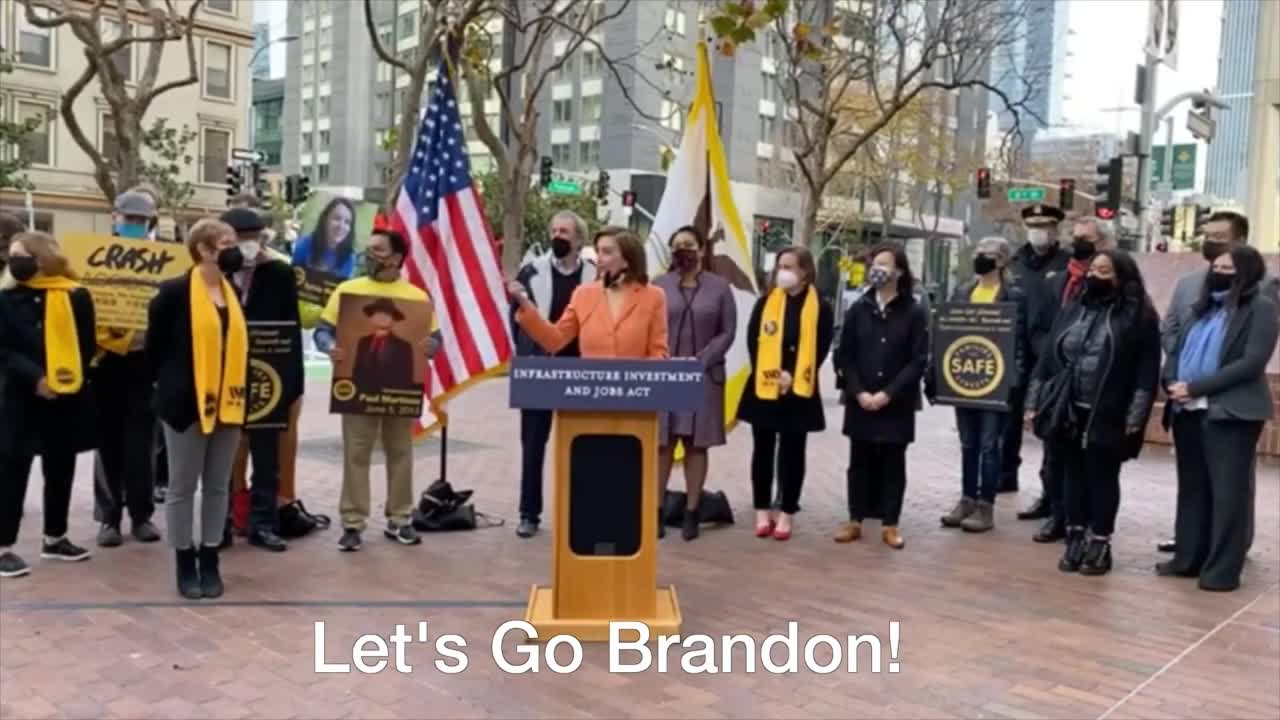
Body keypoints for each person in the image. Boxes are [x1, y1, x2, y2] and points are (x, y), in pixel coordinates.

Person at [1025, 250, 1161, 576]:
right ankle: (1074, 535)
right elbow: (1047, 360)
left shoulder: (1139, 317)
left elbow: (1146, 373)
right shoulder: (1074, 309)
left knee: (1101, 478)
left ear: (1121, 277)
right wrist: (1033, 402)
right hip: (1067, 408)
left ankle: (1100, 542)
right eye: (1094, 269)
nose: (1095, 275)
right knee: (1071, 476)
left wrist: (1135, 418)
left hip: (1109, 412)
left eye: (1105, 270)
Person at [1156, 210, 1277, 554]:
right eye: (1207, 235)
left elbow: (1252, 357)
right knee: (1192, 482)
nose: (1211, 243)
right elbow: (1172, 329)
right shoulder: (1190, 284)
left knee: (1230, 485)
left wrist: (1200, 384)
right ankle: (1190, 545)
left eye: (1219, 236)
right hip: (1187, 401)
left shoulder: (1263, 289)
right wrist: (1177, 375)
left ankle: (1228, 548)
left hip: (1228, 402)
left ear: (1240, 240)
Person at [314, 229, 440, 552]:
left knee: (401, 453)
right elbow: (323, 331)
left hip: (400, 389)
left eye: (378, 250)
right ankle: (353, 523)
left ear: (396, 258)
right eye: (368, 249)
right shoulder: (347, 291)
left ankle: (400, 518)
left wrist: (431, 345)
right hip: (356, 388)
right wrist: (330, 348)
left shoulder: (417, 297)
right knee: (356, 453)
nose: (369, 255)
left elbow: (434, 338)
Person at [146, 219, 249, 599]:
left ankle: (210, 556)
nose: (234, 249)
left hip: (230, 403)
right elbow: (154, 350)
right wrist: (168, 389)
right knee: (182, 487)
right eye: (226, 242)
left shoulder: (232, 291)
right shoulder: (173, 292)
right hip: (185, 405)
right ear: (203, 249)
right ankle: (183, 559)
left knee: (219, 485)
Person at [0, 232, 97, 578]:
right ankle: (4, 546)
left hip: (64, 397)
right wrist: (36, 378)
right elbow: (5, 350)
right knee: (12, 467)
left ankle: (55, 538)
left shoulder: (76, 296)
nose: (14, 261)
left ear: (43, 258)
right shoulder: (6, 299)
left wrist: (67, 378)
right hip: (20, 395)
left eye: (21, 254)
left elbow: (87, 345)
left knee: (61, 465)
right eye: (11, 255)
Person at [1018, 215, 1117, 542]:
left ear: (1103, 243)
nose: (1078, 244)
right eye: (1075, 237)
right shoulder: (1056, 281)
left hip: (1092, 383)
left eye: (1085, 238)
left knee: (1088, 460)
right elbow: (1039, 326)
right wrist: (1053, 357)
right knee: (1054, 452)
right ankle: (1056, 511)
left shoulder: (1117, 282)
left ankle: (1085, 518)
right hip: (1054, 379)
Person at [736, 245, 835, 541]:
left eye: (790, 267)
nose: (783, 272)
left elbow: (821, 345)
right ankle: (762, 509)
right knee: (762, 449)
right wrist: (771, 374)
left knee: (793, 451)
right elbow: (754, 341)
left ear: (805, 272)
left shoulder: (821, 307)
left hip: (799, 389)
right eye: (780, 266)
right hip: (765, 389)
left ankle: (787, 511)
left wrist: (792, 375)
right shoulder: (766, 302)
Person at [833, 243, 928, 549]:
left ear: (899, 270)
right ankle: (855, 519)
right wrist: (859, 391)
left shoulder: (913, 311)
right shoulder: (859, 308)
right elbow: (845, 355)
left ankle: (890, 523)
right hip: (860, 400)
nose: (878, 268)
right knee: (858, 461)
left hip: (895, 402)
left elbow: (918, 359)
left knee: (893, 462)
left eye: (885, 263)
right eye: (875, 262)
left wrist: (888, 394)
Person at [220, 207, 304, 553]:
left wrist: (290, 384)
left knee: (266, 455)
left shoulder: (280, 273)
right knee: (223, 455)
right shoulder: (211, 274)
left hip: (268, 376)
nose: (247, 244)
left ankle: (263, 523)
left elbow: (292, 328)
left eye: (253, 237)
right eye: (240, 238)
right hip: (224, 376)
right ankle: (223, 521)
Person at [509, 211, 596, 538]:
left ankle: (582, 511)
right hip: (539, 368)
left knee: (582, 444)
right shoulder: (532, 272)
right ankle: (529, 513)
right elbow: (515, 318)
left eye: (565, 231)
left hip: (581, 370)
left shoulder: (594, 276)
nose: (558, 236)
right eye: (554, 230)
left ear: (579, 239)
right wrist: (525, 356)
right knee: (533, 444)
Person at [940, 236, 1030, 533]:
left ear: (1002, 260)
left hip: (997, 380)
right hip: (966, 377)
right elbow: (950, 331)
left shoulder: (1013, 295)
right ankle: (966, 498)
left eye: (987, 254)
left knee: (990, 445)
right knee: (968, 443)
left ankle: (985, 505)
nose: (980, 257)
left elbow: (1020, 341)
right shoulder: (964, 290)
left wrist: (1014, 379)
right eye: (978, 252)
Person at [652, 226, 737, 541]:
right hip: (666, 375)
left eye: (688, 245)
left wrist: (701, 359)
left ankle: (691, 511)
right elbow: (650, 325)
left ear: (701, 250)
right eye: (676, 246)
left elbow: (727, 331)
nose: (682, 251)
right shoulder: (658, 286)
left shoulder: (720, 288)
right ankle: (657, 511)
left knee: (694, 444)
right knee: (663, 443)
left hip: (703, 376)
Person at [93, 190, 163, 547]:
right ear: (115, 217)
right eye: (129, 218)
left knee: (142, 446)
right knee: (106, 444)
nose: (134, 224)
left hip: (144, 364)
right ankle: (108, 517)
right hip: (105, 362)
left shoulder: (166, 262)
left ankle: (142, 515)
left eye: (141, 220)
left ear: (151, 223)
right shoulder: (95, 259)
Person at [509, 226, 667, 359]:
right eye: (598, 251)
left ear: (628, 259)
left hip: (635, 390)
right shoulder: (583, 294)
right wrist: (525, 305)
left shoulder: (653, 296)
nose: (599, 259)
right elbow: (554, 341)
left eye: (607, 252)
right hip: (590, 389)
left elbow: (658, 353)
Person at [1004, 204, 1069, 494]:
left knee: (1051, 421)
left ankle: (1049, 491)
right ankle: (1005, 477)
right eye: (1034, 227)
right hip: (1015, 352)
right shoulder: (1014, 263)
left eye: (1045, 227)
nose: (1039, 233)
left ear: (1055, 230)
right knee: (1008, 419)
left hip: (1050, 353)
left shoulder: (1067, 264)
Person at [352, 298, 416, 388]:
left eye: (387, 314)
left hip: (391, 397)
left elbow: (406, 381)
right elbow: (356, 374)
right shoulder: (363, 342)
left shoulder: (404, 346)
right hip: (362, 396)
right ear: (371, 318)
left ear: (393, 320)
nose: (382, 317)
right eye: (378, 313)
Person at [292, 196, 356, 277]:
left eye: (347, 222)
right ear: (325, 220)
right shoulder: (303, 245)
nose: (341, 226)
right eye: (337, 218)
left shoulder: (349, 258)